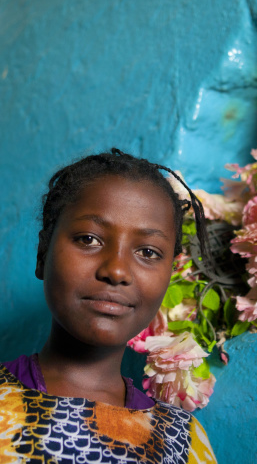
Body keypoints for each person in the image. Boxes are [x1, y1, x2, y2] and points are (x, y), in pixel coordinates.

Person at [0, 149, 217, 463]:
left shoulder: (184, 441)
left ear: (169, 274)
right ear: (42, 254)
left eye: (148, 252)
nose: (116, 270)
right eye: (89, 239)